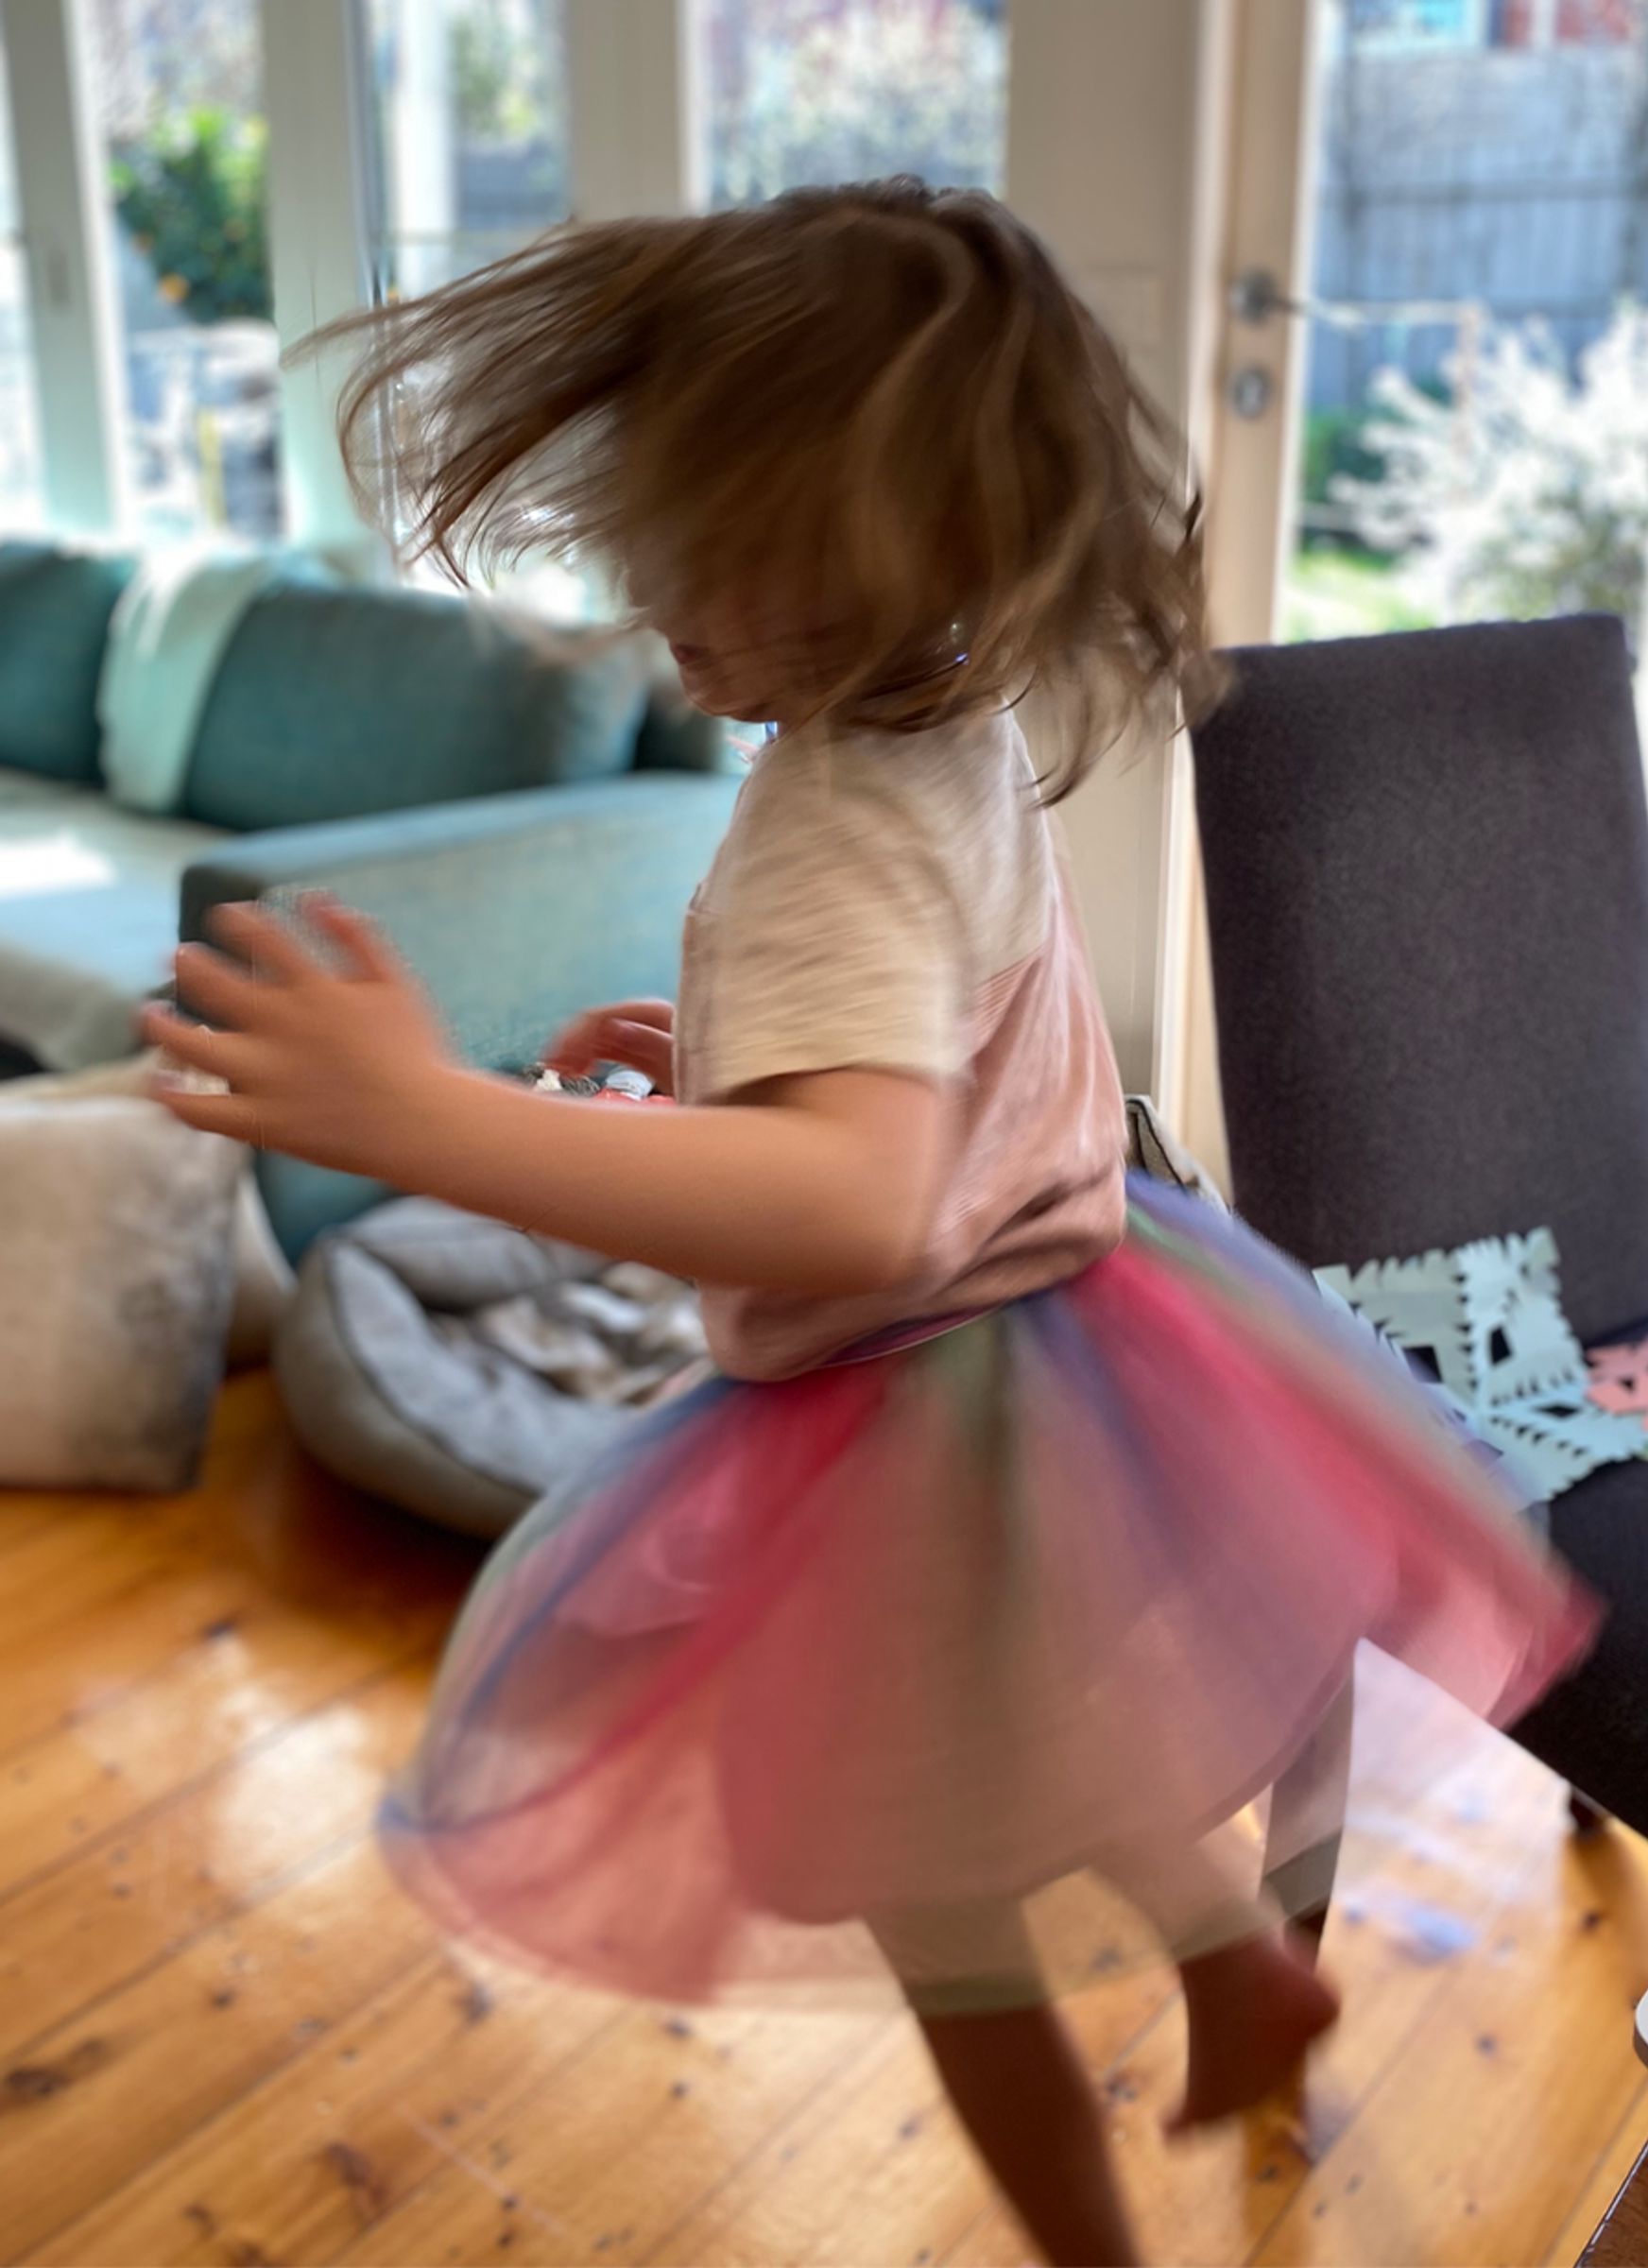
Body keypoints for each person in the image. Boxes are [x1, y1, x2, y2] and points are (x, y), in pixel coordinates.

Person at [146, 181, 1596, 2268]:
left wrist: (431, 1119)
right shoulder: (945, 736)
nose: (652, 597)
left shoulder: (834, 817)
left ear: (884, 551)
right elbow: (934, 1059)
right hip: (1085, 1339)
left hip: (916, 1408)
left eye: (705, 556)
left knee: (932, 1887)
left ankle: (1094, 2239)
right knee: (1023, 1759)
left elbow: (854, 1195)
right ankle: (1231, 1962)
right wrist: (731, 1061)